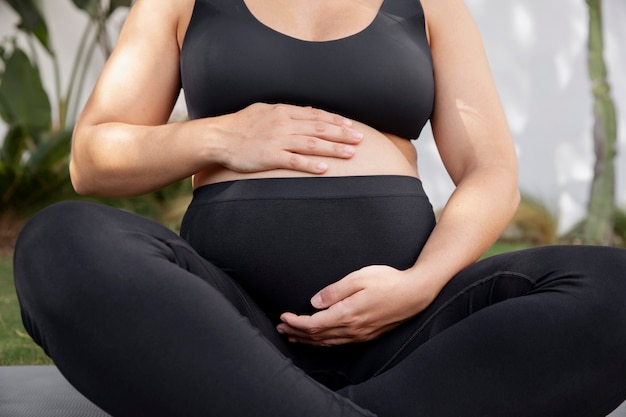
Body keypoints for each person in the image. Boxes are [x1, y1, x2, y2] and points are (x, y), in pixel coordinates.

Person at [13, 0, 626, 415]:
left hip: (409, 330)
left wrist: (420, 283)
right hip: (228, 324)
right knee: (60, 241)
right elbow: (92, 157)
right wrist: (223, 135)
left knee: (614, 290)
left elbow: (492, 173)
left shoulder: (429, 6)